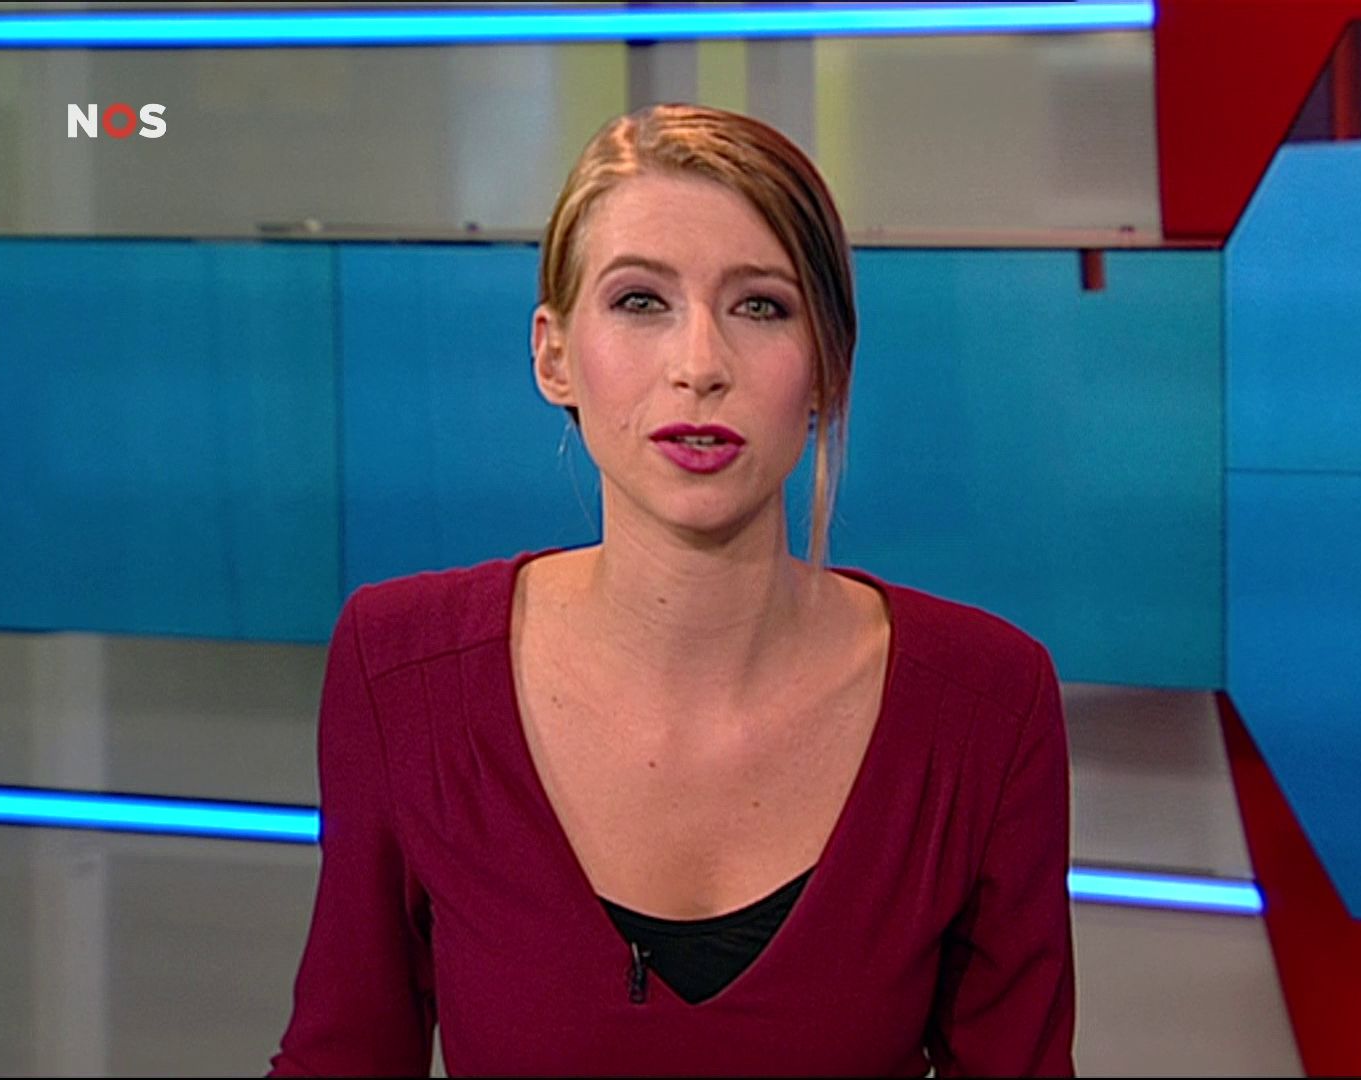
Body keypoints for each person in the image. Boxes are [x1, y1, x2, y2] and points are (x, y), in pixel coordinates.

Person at [268, 103, 1076, 1077]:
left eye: (760, 307)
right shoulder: (404, 668)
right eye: (641, 301)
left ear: (826, 368)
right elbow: (342, 1056)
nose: (700, 367)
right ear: (554, 355)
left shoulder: (987, 704)